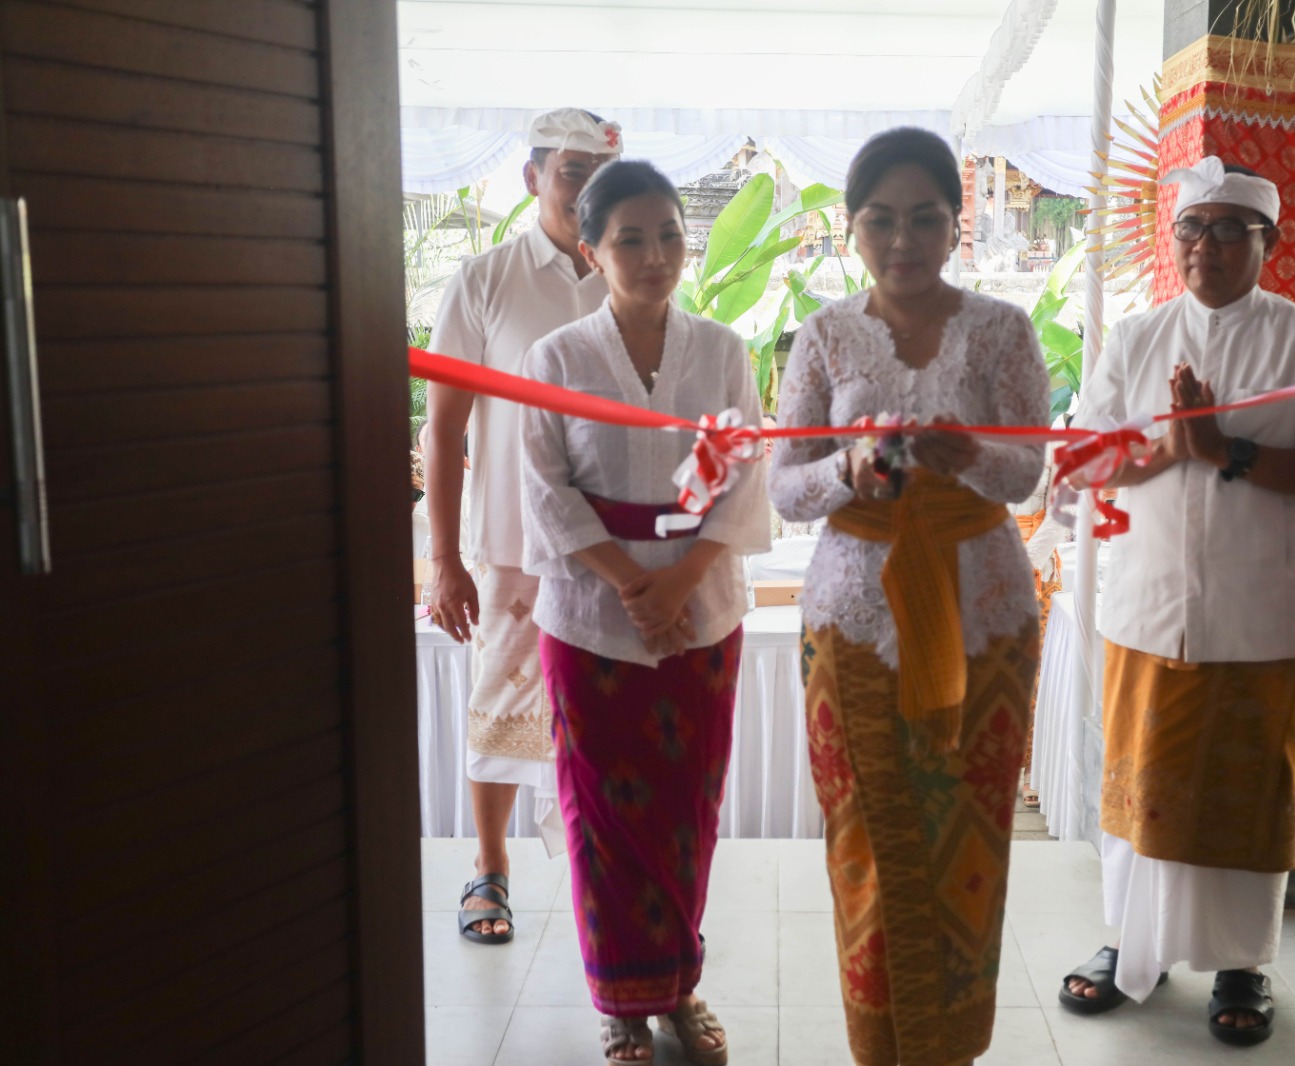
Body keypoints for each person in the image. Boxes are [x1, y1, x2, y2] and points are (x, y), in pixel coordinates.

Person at [1058, 157, 1295, 1046]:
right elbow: (1085, 459)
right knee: (1139, 793)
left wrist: (1225, 447)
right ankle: (1132, 949)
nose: (1208, 247)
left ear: (1269, 242)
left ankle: (1243, 964)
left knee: (1245, 791)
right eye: (1192, 229)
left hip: (1256, 611)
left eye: (1233, 230)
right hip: (1149, 606)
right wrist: (1169, 449)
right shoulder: (1136, 337)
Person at [769, 127, 1050, 1066]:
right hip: (852, 616)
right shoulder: (823, 334)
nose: (904, 239)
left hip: (987, 614)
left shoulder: (1002, 330)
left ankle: (949, 1048)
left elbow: (1027, 477)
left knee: (968, 839)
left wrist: (969, 454)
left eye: (926, 217)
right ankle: (878, 1046)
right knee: (867, 839)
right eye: (881, 219)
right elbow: (783, 486)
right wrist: (851, 465)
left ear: (955, 226)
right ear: (851, 228)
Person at [520, 160, 770, 1066]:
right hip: (590, 618)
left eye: (669, 233)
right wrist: (632, 581)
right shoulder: (556, 359)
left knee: (685, 808)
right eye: (631, 238)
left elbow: (745, 473)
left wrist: (679, 582)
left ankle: (680, 987)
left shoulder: (724, 351)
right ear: (592, 251)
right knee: (603, 814)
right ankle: (621, 1004)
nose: (656, 253)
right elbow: (544, 492)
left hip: (701, 613)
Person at [425, 108, 620, 944]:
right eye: (571, 170)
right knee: (498, 700)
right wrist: (445, 558)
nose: (585, 189)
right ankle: (490, 871)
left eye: (599, 172)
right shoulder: (485, 280)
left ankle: (606, 871)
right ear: (532, 176)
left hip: (610, 544)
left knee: (605, 713)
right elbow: (441, 428)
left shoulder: (631, 271)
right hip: (510, 541)